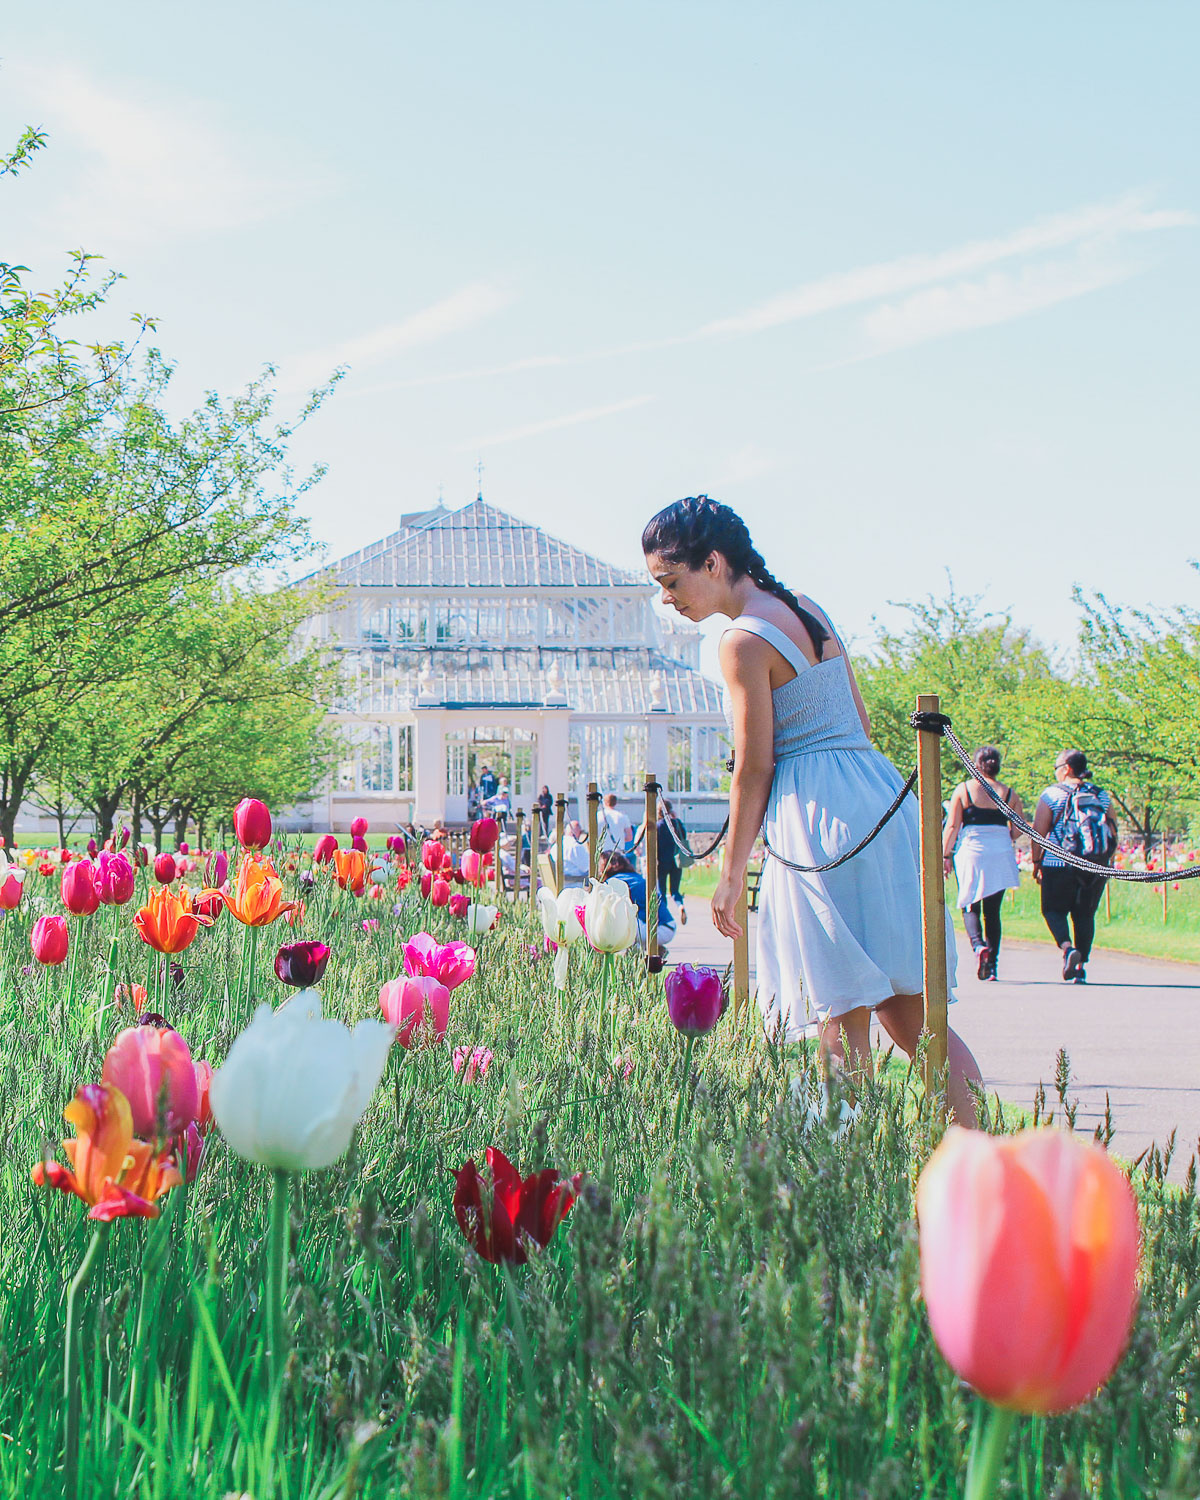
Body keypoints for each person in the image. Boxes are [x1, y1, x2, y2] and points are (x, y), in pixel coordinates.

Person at [641, 495, 982, 1124]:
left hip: (817, 816)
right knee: (913, 1013)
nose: (668, 598)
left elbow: (755, 765)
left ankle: (847, 1179)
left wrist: (729, 871)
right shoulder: (808, 609)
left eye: (671, 581)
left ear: (712, 562)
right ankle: (983, 1159)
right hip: (879, 798)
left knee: (838, 1008)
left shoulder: (740, 640)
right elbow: (858, 719)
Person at [1031, 749, 1117, 984]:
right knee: (1085, 914)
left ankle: (1068, 949)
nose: (1056, 772)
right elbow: (1112, 831)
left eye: (1056, 767)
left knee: (1053, 910)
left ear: (1066, 768)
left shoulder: (1051, 794)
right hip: (1094, 864)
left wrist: (1037, 862)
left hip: (1058, 863)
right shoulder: (1102, 795)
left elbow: (1038, 832)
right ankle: (1080, 967)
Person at [941, 746, 1025, 981]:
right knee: (992, 912)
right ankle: (993, 965)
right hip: (999, 851)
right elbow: (1018, 829)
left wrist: (944, 856)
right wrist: (1002, 836)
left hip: (972, 851)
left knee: (970, 903)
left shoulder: (965, 790)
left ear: (976, 765)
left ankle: (979, 947)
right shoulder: (1008, 793)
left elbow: (952, 826)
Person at [599, 851, 676, 954]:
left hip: (656, 929)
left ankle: (634, 954)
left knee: (618, 920)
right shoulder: (635, 877)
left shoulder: (614, 883)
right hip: (667, 926)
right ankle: (652, 948)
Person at [656, 799, 689, 927]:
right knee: (675, 890)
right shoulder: (677, 823)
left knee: (661, 891)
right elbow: (684, 837)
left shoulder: (658, 825)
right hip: (676, 861)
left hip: (662, 862)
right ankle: (680, 906)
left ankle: (665, 916)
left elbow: (655, 845)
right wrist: (675, 818)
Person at [601, 793, 633, 858]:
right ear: (615, 803)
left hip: (602, 854)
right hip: (618, 855)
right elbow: (629, 837)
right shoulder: (623, 816)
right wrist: (619, 838)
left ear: (604, 802)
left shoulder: (597, 816)